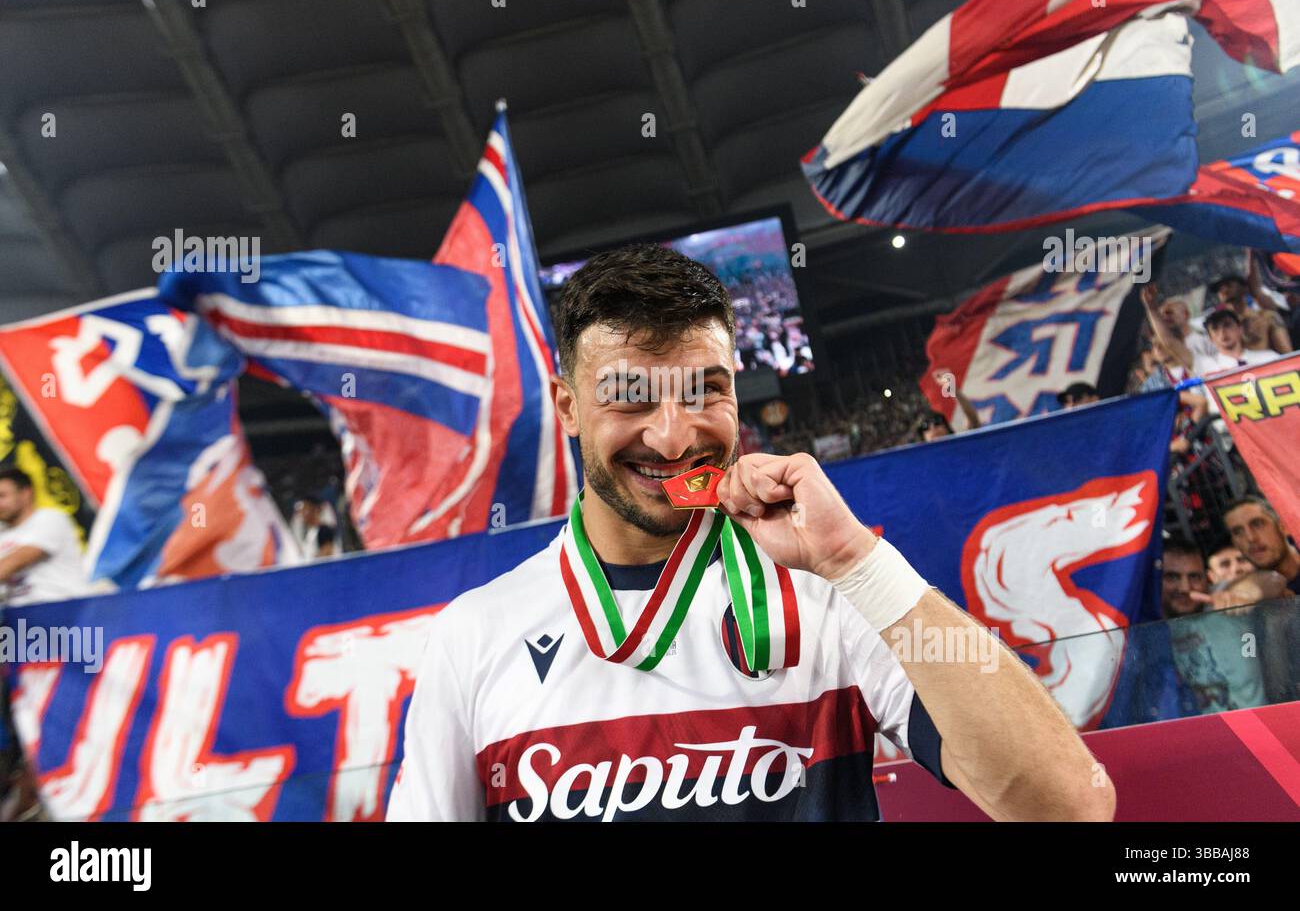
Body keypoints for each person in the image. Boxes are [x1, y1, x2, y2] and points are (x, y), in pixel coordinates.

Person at [389, 243, 1113, 822]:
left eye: (704, 389)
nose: (673, 438)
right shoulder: (475, 636)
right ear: (568, 407)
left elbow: (1069, 806)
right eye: (630, 398)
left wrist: (856, 561)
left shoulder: (832, 595)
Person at [1159, 539, 1266, 714]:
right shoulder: (1146, 627)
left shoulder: (1222, 600)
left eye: (1194, 577)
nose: (1185, 587)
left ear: (1207, 579)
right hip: (1199, 737)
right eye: (1172, 577)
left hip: (1261, 733)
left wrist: (1244, 593)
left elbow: (1272, 580)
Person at [1141, 285, 1280, 378]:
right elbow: (1169, 342)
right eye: (1215, 329)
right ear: (1210, 338)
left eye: (1227, 325)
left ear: (1240, 329)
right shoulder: (1205, 365)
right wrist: (1152, 309)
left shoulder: (1269, 358)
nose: (1222, 332)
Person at [0, 468, 88, 608]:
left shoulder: (49, 519)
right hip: (17, 618)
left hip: (64, 611)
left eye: (2, 496)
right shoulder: (3, 533)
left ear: (26, 493)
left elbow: (19, 559)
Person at [1223, 496, 1300, 598]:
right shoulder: (1248, 593)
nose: (1250, 538)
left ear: (1283, 526)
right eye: (1238, 532)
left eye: (1258, 524)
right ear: (1235, 543)